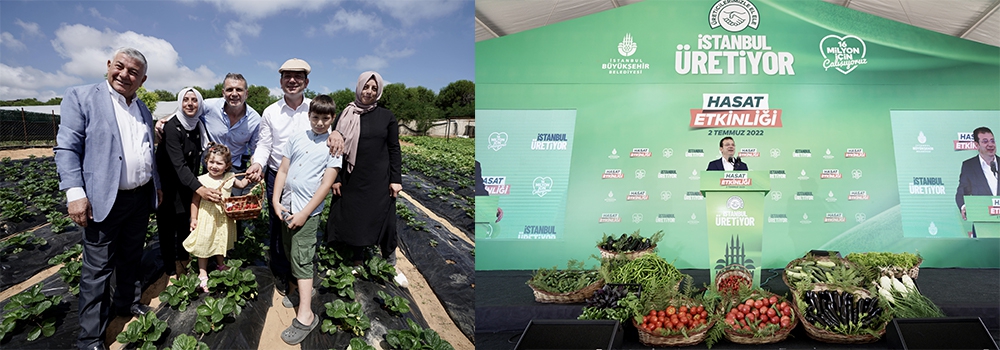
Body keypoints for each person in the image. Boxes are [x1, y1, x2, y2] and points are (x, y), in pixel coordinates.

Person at [55, 47, 162, 350]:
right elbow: (66, 148)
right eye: (120, 67)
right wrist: (75, 193)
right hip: (104, 198)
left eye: (133, 72)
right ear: (108, 65)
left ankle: (126, 304)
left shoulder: (141, 108)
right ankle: (90, 339)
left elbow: (146, 150)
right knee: (97, 270)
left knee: (131, 256)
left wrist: (155, 183)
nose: (124, 75)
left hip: (140, 197)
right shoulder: (81, 97)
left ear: (142, 80)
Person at [247, 58, 323, 298]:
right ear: (280, 81)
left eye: (298, 77)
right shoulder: (271, 112)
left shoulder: (315, 108)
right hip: (276, 175)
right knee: (278, 223)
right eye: (287, 76)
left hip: (308, 177)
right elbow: (265, 144)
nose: (292, 81)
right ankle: (282, 271)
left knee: (307, 220)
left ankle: (301, 269)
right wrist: (257, 163)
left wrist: (337, 135)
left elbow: (328, 131)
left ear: (306, 82)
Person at [271, 94, 342, 344]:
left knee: (301, 258)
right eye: (315, 117)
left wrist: (304, 213)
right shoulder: (297, 137)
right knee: (291, 252)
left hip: (307, 212)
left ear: (333, 119)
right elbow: (283, 170)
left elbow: (327, 183)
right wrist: (276, 200)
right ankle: (300, 293)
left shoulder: (333, 146)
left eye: (325, 118)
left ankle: (306, 315)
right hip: (288, 207)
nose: (320, 122)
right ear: (308, 116)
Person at [325, 71, 406, 287]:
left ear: (378, 91)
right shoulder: (347, 113)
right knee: (357, 218)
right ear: (359, 87)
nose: (369, 91)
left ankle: (390, 262)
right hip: (353, 176)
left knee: (387, 220)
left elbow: (394, 149)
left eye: (374, 88)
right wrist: (337, 177)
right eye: (366, 87)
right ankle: (357, 259)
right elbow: (337, 149)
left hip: (379, 177)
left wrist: (395, 179)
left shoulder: (387, 117)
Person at [155, 87, 214, 277]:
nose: (190, 104)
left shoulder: (197, 125)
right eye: (186, 100)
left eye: (194, 100)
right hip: (167, 184)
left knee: (183, 223)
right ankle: (169, 267)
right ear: (179, 103)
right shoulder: (172, 127)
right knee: (167, 225)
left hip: (185, 182)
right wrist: (200, 188)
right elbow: (178, 164)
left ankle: (183, 260)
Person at [183, 143, 253, 292]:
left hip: (222, 218)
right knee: (204, 244)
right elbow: (195, 200)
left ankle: (220, 264)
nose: (214, 166)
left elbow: (241, 184)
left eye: (219, 163)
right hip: (206, 218)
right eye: (211, 162)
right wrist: (194, 218)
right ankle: (203, 272)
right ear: (206, 161)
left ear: (227, 166)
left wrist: (250, 177)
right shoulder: (201, 180)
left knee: (220, 241)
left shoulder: (229, 177)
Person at [956, 126, 998, 238]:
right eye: (985, 141)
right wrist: (964, 206)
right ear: (976, 145)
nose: (990, 144)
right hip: (982, 224)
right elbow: (961, 192)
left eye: (992, 141)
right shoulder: (969, 166)